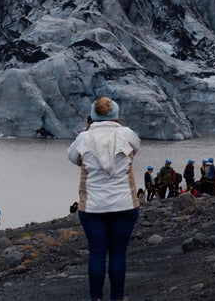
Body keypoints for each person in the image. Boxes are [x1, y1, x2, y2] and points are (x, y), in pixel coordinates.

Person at [68, 96, 141, 301]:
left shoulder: (84, 137)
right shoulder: (127, 134)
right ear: (116, 114)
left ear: (92, 116)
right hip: (125, 204)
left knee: (97, 253)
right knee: (118, 252)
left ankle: (96, 298)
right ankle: (117, 298)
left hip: (92, 207)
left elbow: (73, 157)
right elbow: (136, 148)